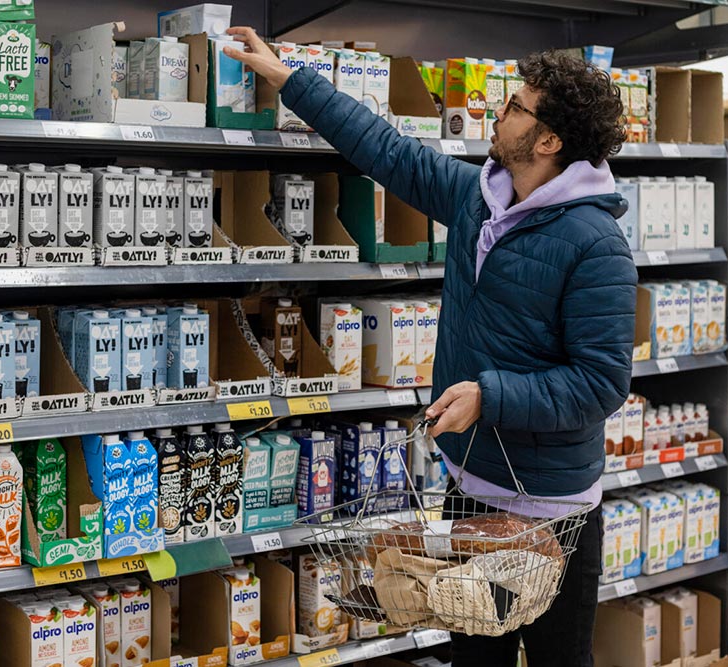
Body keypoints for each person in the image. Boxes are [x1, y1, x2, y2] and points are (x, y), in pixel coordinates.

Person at [224, 29, 637, 667]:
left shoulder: (595, 242)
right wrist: (288, 77)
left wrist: (489, 396)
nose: (498, 112)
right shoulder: (482, 196)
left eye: (517, 107)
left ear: (549, 141)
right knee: (474, 660)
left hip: (552, 512)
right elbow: (390, 152)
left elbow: (601, 383)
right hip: (473, 487)